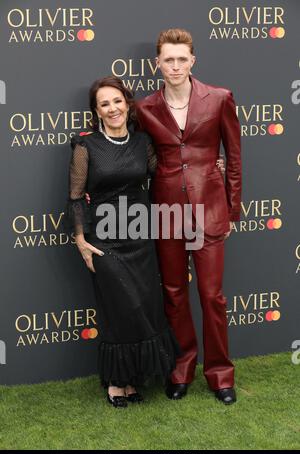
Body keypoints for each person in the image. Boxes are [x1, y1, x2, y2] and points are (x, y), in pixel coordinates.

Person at [136, 29, 242, 404]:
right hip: (166, 213)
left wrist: (232, 209)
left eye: (182, 59)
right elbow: (134, 157)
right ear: (158, 64)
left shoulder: (219, 98)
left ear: (193, 61)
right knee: (174, 293)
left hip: (210, 210)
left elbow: (234, 157)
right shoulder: (145, 108)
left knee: (211, 296)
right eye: (169, 60)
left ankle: (220, 374)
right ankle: (183, 367)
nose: (176, 66)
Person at [64, 76, 181, 408]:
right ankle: (117, 382)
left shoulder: (142, 142)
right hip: (105, 242)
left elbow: (165, 176)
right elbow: (74, 197)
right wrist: (81, 241)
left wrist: (207, 166)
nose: (112, 108)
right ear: (96, 111)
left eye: (117, 101)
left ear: (127, 104)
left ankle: (133, 379)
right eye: (104, 103)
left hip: (140, 238)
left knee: (143, 307)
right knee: (119, 310)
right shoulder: (86, 145)